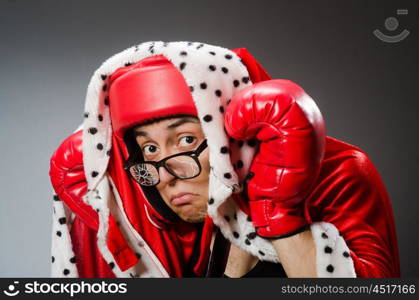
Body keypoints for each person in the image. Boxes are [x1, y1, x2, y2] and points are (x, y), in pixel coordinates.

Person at [49, 41, 400, 278]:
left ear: (230, 135)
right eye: (150, 150)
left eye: (185, 139)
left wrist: (276, 211)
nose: (167, 175)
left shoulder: (342, 174)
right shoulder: (180, 220)